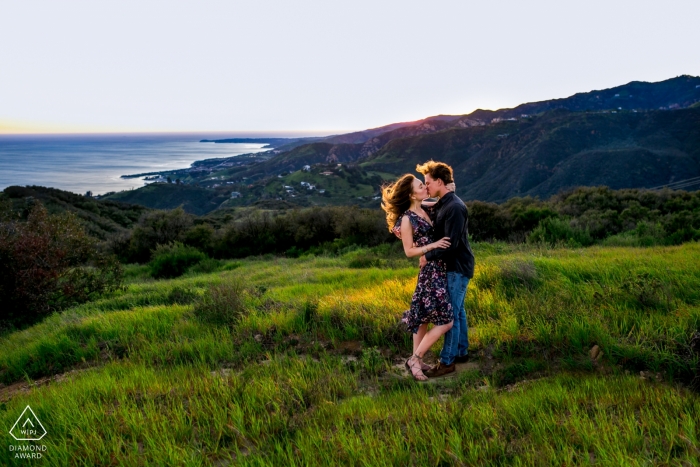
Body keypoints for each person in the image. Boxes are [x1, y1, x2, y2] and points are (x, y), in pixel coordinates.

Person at [381, 174, 454, 380]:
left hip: (438, 268)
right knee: (446, 322)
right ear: (412, 194)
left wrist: (449, 187)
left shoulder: (426, 207)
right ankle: (415, 358)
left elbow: (442, 200)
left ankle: (417, 362)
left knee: (422, 319)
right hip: (430, 272)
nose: (425, 187)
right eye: (421, 186)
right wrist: (433, 246)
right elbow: (409, 251)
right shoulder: (407, 219)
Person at [415, 160, 476, 378]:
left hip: (457, 267)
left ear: (439, 182)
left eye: (428, 183)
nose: (426, 187)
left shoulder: (455, 207)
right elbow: (429, 208)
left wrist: (427, 256)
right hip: (454, 266)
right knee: (458, 312)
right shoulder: (444, 202)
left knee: (448, 315)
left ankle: (447, 361)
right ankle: (461, 352)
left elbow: (451, 243)